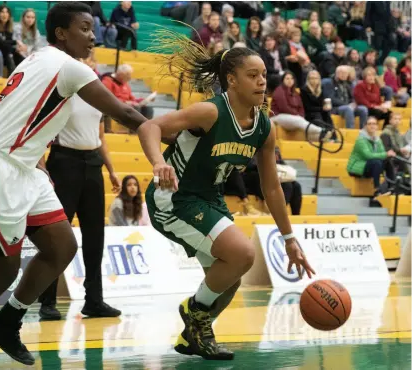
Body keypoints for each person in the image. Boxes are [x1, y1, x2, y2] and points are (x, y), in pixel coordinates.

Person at [0, 3, 150, 369]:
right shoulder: (67, 66)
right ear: (61, 33)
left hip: (24, 167)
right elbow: (127, 114)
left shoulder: (41, 57)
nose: (93, 36)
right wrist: (183, 130)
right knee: (1, 273)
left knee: (62, 246)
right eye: (85, 29)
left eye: (93, 29)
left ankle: (6, 322)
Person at [137, 33, 315, 360]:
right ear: (231, 80)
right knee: (242, 255)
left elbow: (272, 187)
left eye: (264, 75)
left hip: (209, 199)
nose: (262, 82)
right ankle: (194, 312)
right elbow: (149, 128)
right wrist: (159, 163)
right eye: (252, 75)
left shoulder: (264, 127)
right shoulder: (210, 112)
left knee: (229, 277)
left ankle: (194, 336)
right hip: (173, 199)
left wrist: (289, 238)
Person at [37, 55, 123, 320]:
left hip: (93, 163)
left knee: (96, 235)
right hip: (65, 162)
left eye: (93, 62)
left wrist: (111, 169)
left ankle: (94, 300)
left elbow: (101, 138)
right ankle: (47, 301)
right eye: (85, 61)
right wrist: (42, 168)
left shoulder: (99, 95)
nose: (91, 65)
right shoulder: (63, 93)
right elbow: (41, 133)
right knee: (57, 234)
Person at [347, 116, 396, 206]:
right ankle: (377, 190)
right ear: (365, 126)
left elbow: (382, 153)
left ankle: (392, 188)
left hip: (371, 166)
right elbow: (368, 155)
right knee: (376, 161)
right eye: (369, 124)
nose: (372, 126)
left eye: (374, 124)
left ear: (377, 126)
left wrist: (386, 155)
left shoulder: (377, 140)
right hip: (358, 168)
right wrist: (386, 154)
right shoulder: (360, 139)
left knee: (387, 161)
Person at [271, 71, 329, 142]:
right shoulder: (279, 90)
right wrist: (297, 114)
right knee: (299, 120)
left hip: (293, 118)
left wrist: (301, 115)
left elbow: (301, 108)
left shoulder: (295, 93)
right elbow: (284, 107)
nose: (290, 80)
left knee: (301, 121)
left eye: (292, 79)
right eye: (287, 78)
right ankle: (321, 131)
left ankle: (321, 138)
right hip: (277, 117)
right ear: (283, 80)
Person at [0, 4, 16, 76]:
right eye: (2, 12)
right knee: (9, 50)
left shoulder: (9, 27)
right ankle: (12, 75)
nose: (4, 14)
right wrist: (16, 42)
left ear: (9, 15)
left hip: (5, 53)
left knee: (17, 53)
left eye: (7, 12)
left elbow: (8, 43)